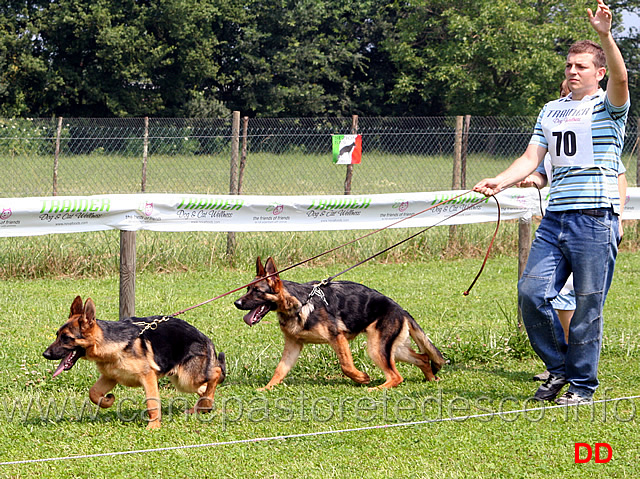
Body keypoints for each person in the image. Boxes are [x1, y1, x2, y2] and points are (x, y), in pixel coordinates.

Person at [474, 0, 629, 405]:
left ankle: (581, 387)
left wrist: (605, 36)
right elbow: (531, 159)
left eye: (581, 66)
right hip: (555, 218)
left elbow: (622, 78)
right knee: (531, 292)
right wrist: (500, 181)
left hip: (595, 220)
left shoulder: (610, 107)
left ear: (597, 73)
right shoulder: (550, 110)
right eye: (568, 66)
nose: (573, 71)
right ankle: (559, 369)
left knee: (586, 309)